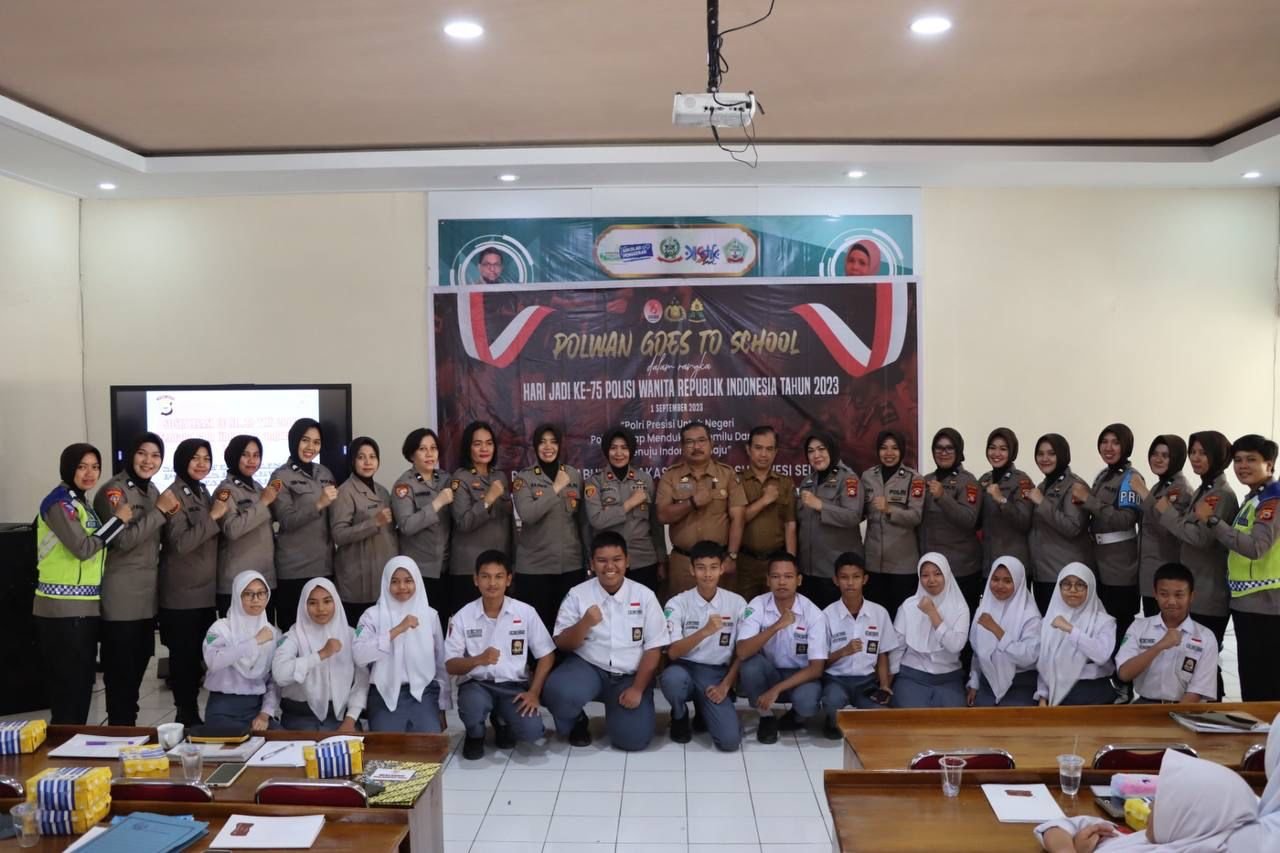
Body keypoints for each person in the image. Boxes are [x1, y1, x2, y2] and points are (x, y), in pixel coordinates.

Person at [542, 532, 666, 751]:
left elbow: (654, 648)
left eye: (617, 559)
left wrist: (637, 689)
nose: (610, 566)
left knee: (633, 741)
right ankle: (577, 720)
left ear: (627, 561)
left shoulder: (645, 596)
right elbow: (562, 643)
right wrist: (585, 623)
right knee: (557, 693)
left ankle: (620, 713)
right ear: (592, 564)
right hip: (589, 668)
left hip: (629, 675)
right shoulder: (577, 594)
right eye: (602, 560)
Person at [35, 443, 130, 723]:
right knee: (68, 690)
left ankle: (75, 742)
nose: (90, 473)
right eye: (82, 467)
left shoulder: (81, 503)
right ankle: (64, 745)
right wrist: (118, 521)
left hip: (84, 606)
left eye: (95, 467)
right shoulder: (59, 503)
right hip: (61, 609)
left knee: (80, 687)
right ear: (68, 468)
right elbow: (83, 548)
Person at [95, 432, 179, 726]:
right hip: (121, 598)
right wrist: (159, 512)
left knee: (139, 665)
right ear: (131, 454)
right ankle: (120, 729)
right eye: (142, 453)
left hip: (147, 598)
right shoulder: (114, 491)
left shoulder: (153, 490)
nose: (148, 461)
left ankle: (127, 728)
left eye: (155, 455)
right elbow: (122, 540)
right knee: (120, 674)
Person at [445, 550, 555, 760]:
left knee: (532, 732)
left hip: (513, 687)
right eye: (485, 576)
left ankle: (502, 720)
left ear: (508, 580)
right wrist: (478, 659)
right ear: (476, 580)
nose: (492, 583)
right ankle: (475, 734)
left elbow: (547, 655)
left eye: (499, 576)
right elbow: (450, 665)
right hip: (477, 685)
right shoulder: (462, 616)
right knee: (473, 706)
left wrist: (534, 692)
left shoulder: (525, 612)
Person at [1034, 750, 1261, 852]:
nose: (1150, 806)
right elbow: (1056, 827)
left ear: (1189, 818)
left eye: (1162, 802)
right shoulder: (1149, 837)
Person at [1157, 430, 1236, 694]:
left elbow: (1201, 538)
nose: (1196, 458)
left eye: (1203, 453)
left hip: (1209, 589)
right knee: (1192, 658)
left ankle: (1212, 708)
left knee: (1206, 661)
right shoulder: (1204, 489)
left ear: (1218, 456)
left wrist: (1168, 514)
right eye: (1193, 452)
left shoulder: (1220, 494)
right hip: (1197, 585)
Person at [1206, 434, 1280, 700]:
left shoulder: (1272, 500)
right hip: (1248, 601)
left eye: (1251, 460)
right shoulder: (1254, 499)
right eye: (1238, 460)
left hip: (1266, 605)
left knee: (1264, 682)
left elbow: (1256, 548)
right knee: (1252, 676)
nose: (1242, 466)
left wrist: (1214, 522)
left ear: (1269, 465)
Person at [159, 438, 227, 726]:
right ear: (182, 460)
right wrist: (213, 517)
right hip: (182, 595)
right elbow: (182, 543)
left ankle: (194, 715)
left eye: (206, 458)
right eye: (195, 458)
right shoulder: (173, 495)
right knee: (184, 662)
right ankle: (185, 716)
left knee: (200, 659)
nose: (202, 464)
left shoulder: (202, 490)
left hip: (205, 593)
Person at [659, 540, 748, 751]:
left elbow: (743, 652)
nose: (707, 574)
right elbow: (672, 653)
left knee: (729, 742)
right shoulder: (677, 603)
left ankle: (704, 710)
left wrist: (726, 685)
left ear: (722, 568)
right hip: (684, 668)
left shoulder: (737, 603)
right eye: (701, 568)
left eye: (713, 567)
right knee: (672, 679)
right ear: (692, 570)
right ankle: (679, 715)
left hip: (716, 674)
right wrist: (705, 631)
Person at [1074, 424, 1144, 676]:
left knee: (1121, 625)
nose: (1109, 447)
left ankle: (1123, 679)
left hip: (1120, 563)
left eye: (1115, 442)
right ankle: (1105, 675)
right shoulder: (1103, 475)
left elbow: (1125, 519)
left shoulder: (1131, 478)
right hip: (1098, 559)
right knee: (1102, 623)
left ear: (1126, 446)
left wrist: (1089, 500)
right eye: (1104, 441)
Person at [736, 552, 828, 743]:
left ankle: (796, 716)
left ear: (799, 580)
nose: (782, 582)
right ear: (768, 580)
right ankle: (766, 717)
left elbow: (816, 668)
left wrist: (776, 689)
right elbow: (742, 651)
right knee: (750, 666)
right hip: (769, 671)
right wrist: (776, 626)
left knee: (807, 703)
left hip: (800, 675)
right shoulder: (757, 604)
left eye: (788, 576)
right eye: (776, 576)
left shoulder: (814, 614)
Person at [353, 556, 451, 732]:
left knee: (427, 744)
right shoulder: (371, 616)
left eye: (408, 580)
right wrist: (397, 630)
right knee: (388, 746)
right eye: (395, 581)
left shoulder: (430, 615)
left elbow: (440, 664)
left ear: (417, 581)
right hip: (383, 691)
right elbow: (359, 655)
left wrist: (442, 707)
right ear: (386, 583)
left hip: (423, 692)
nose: (402, 587)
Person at [656, 421, 746, 599]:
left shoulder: (727, 475)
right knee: (681, 610)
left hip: (718, 562)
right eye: (689, 442)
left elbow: (739, 518)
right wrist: (692, 502)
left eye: (701, 441)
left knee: (722, 611)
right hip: (683, 563)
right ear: (682, 447)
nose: (696, 447)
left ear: (711, 443)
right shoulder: (671, 476)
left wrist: (732, 556)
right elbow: (662, 515)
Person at [511, 424, 585, 630]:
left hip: (570, 566)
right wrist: (556, 488)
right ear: (535, 447)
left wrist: (588, 559)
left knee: (568, 630)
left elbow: (583, 522)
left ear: (560, 446)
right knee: (537, 633)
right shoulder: (524, 478)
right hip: (535, 569)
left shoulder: (573, 475)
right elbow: (528, 514)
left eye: (553, 442)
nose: (548, 447)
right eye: (542, 442)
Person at [272, 577, 369, 731]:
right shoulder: (293, 636)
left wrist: (351, 719)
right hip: (299, 717)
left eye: (327, 601)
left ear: (336, 602)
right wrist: (320, 655)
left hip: (342, 719)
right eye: (312, 603)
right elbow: (280, 675)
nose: (321, 608)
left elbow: (362, 681)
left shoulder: (351, 635)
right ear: (304, 606)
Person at [269, 418, 338, 631]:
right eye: (305, 440)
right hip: (294, 570)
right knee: (293, 632)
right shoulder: (280, 477)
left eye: (316, 442)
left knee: (323, 631)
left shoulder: (325, 473)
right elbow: (286, 520)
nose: (311, 447)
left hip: (324, 565)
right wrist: (318, 504)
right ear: (294, 441)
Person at [819, 553, 899, 738]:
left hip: (867, 681)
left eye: (856, 577)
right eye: (844, 577)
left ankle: (858, 716)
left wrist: (884, 685)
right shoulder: (826, 615)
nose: (850, 583)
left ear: (865, 579)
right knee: (832, 702)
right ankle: (832, 720)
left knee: (881, 715)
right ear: (835, 580)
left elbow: (883, 654)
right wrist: (843, 651)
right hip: (836, 680)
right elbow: (820, 662)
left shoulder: (879, 613)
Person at [1116, 563, 1218, 703]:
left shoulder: (1206, 637)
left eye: (1179, 595)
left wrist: (1174, 714)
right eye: (1164, 594)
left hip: (1186, 708)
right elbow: (1124, 674)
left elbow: (1197, 691)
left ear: (1191, 596)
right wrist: (1159, 646)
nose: (1171, 602)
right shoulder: (1139, 627)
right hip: (1145, 705)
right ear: (1155, 594)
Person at [584, 426, 666, 592]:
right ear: (606, 451)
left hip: (643, 560)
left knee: (643, 606)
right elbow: (596, 520)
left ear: (631, 451)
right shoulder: (595, 482)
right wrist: (630, 503)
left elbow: (655, 524)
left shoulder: (644, 480)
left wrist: (661, 559)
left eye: (624, 448)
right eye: (613, 448)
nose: (619, 453)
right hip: (609, 564)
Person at [449, 421, 514, 622]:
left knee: (501, 625)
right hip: (470, 568)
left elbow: (508, 519)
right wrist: (488, 499)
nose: (484, 448)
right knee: (470, 627)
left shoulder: (499, 476)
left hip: (499, 566)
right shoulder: (460, 478)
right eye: (477, 444)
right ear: (468, 448)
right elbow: (463, 522)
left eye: (489, 443)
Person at [888, 552, 970, 708]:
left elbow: (955, 646)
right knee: (908, 717)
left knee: (953, 718)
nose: (931, 580)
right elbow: (897, 647)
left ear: (946, 574)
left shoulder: (960, 607)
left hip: (948, 677)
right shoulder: (908, 606)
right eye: (925, 575)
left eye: (937, 574)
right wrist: (888, 683)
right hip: (912, 675)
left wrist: (932, 613)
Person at [331, 436, 399, 626]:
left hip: (382, 572)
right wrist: (373, 523)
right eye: (361, 457)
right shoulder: (345, 491)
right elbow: (339, 535)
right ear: (353, 461)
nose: (368, 462)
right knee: (359, 633)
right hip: (357, 577)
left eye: (372, 457)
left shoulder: (383, 491)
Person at [202, 570, 280, 730]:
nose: (255, 599)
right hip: (222, 708)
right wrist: (254, 641)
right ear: (237, 596)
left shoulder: (273, 633)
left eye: (261, 593)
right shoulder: (220, 628)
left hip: (257, 709)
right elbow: (214, 661)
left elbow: (274, 680)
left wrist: (265, 713)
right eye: (248, 594)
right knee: (235, 743)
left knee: (282, 740)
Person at [861, 429, 925, 619]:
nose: (889, 453)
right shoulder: (867, 476)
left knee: (902, 621)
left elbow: (916, 517)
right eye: (884, 448)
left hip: (902, 566)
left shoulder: (914, 478)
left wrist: (890, 509)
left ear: (902, 450)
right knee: (875, 620)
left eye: (894, 448)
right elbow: (860, 511)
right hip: (873, 564)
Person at [213, 435, 278, 618]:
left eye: (256, 455)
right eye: (245, 455)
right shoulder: (225, 490)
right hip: (237, 582)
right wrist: (263, 503)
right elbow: (232, 529)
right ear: (234, 456)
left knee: (265, 634)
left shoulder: (258, 487)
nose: (252, 460)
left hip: (264, 579)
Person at [796, 431, 865, 604]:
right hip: (808, 571)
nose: (816, 455)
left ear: (831, 450)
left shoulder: (848, 479)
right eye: (811, 451)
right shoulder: (807, 481)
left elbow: (853, 516)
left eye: (821, 449)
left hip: (834, 572)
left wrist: (821, 505)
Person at [1027, 434, 1093, 613]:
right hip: (1042, 574)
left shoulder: (1075, 486)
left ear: (1062, 455)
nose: (1045, 458)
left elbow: (1073, 527)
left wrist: (1042, 503)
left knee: (1066, 627)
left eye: (1051, 453)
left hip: (1066, 577)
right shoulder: (1043, 486)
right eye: (1040, 454)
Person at [920, 428, 983, 614]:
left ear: (958, 451)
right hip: (931, 570)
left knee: (961, 622)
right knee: (932, 620)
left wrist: (943, 497)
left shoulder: (968, 482)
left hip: (961, 569)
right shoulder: (925, 480)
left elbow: (969, 520)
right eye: (939, 448)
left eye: (949, 448)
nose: (943, 452)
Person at [1035, 564, 1117, 706]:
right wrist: (1043, 695)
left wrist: (1070, 629)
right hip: (1058, 692)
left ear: (1090, 588)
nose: (1073, 590)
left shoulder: (1104, 621)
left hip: (1094, 690)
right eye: (1066, 584)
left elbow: (1101, 656)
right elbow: (1045, 662)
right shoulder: (1048, 621)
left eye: (1080, 585)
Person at [967, 556, 1041, 707]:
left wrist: (997, 631)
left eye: (1007, 581)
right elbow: (978, 653)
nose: (1000, 585)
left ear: (1018, 582)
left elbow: (1029, 657)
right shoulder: (983, 609)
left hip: (1021, 683)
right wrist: (974, 683)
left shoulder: (1030, 615)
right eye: (995, 579)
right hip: (988, 681)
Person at [392, 428, 454, 609]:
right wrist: (437, 503)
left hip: (446, 567)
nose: (429, 454)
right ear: (412, 455)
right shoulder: (404, 485)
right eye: (422, 449)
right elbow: (406, 525)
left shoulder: (446, 478)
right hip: (419, 570)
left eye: (433, 448)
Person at [736, 426, 798, 601]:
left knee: (777, 610)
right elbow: (736, 520)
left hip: (776, 563)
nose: (764, 454)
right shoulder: (736, 481)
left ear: (776, 452)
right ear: (748, 449)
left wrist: (790, 564)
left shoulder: (785, 483)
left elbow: (790, 525)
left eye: (769, 449)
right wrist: (764, 500)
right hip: (744, 562)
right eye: (758, 448)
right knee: (745, 611)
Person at [1132, 435, 1191, 617]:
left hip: (1167, 576)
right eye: (1155, 454)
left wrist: (1144, 494)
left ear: (1177, 458)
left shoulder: (1180, 489)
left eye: (1165, 456)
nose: (1158, 459)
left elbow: (1169, 530)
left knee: (1166, 629)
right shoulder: (1160, 486)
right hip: (1150, 574)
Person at [977, 427, 1033, 572]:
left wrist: (1002, 500)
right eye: (992, 448)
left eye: (1003, 449)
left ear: (1012, 452)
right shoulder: (984, 479)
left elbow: (1024, 522)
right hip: (987, 564)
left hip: (1013, 565)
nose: (996, 453)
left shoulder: (1022, 480)